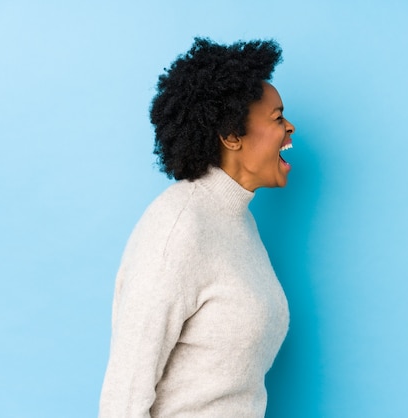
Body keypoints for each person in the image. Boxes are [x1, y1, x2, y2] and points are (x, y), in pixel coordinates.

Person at [99, 37, 296, 417]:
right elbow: (124, 395)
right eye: (276, 118)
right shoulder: (178, 227)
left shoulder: (237, 220)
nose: (290, 127)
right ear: (230, 136)